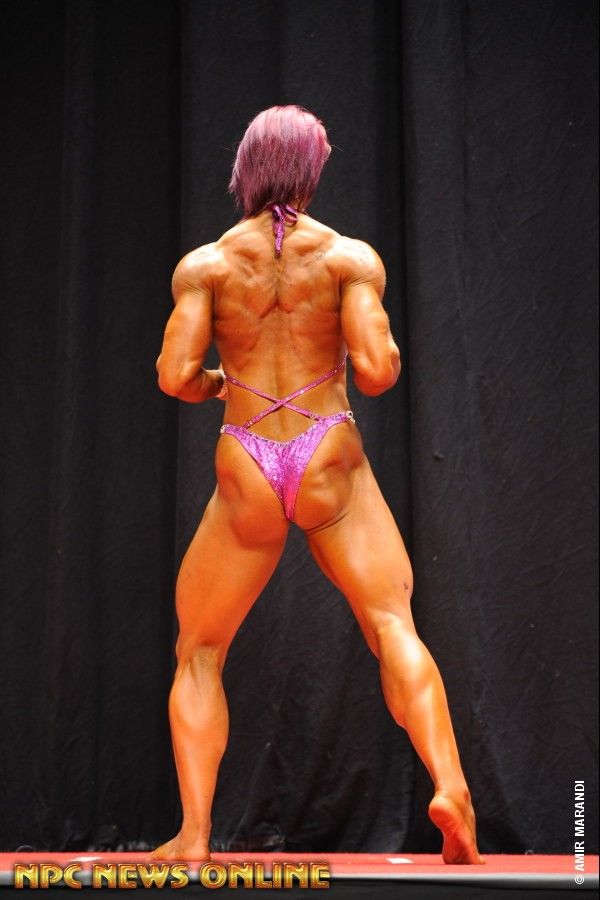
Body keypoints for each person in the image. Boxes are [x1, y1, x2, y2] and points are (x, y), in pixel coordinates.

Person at [153, 105, 484, 865]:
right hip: (327, 451)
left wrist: (220, 385)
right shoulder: (347, 258)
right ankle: (452, 789)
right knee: (392, 624)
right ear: (310, 169)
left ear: (247, 169)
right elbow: (376, 372)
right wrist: (377, 350)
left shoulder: (205, 265)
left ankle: (194, 835)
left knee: (199, 650)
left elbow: (174, 376)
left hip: (246, 460)